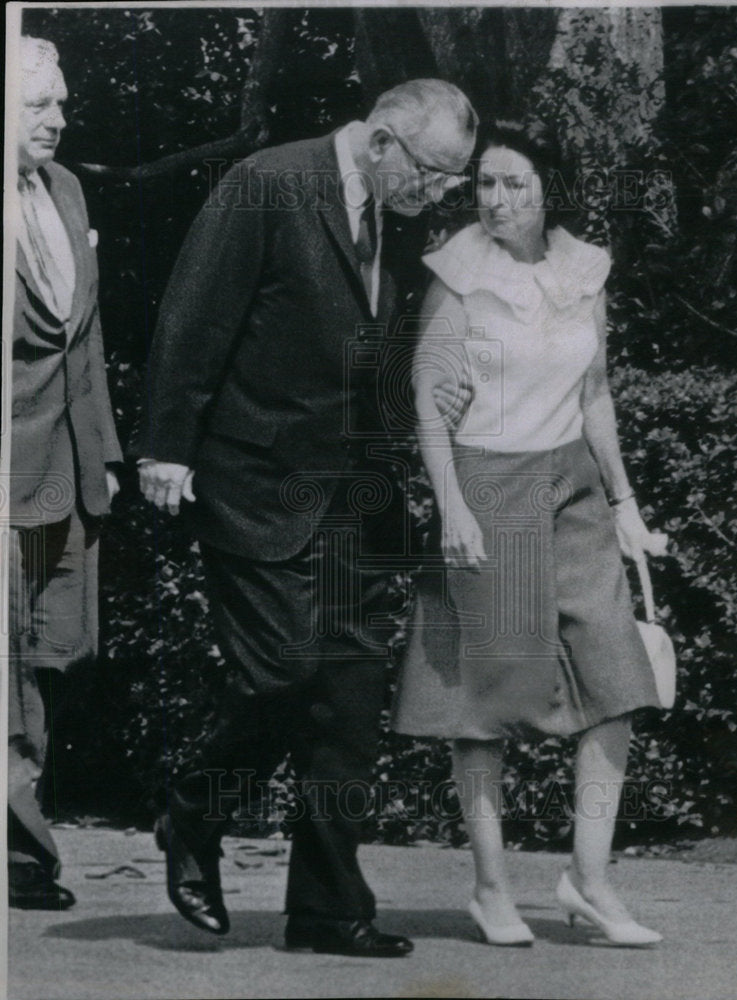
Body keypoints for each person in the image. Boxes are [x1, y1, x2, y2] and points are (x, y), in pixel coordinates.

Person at [138, 80, 477, 957]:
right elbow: (192, 314)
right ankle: (192, 813)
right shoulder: (268, 183)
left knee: (350, 705)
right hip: (255, 478)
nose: (439, 194)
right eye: (434, 173)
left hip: (356, 497)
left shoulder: (400, 218)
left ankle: (329, 909)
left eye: (452, 181)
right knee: (281, 674)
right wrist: (165, 444)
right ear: (382, 142)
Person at [392, 121, 668, 947]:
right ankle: (489, 889)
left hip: (575, 492)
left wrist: (627, 506)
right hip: (488, 487)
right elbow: (430, 402)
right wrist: (453, 507)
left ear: (551, 191)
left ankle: (589, 881)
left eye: (515, 184)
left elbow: (596, 394)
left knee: (618, 684)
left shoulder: (583, 272)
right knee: (483, 706)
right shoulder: (456, 278)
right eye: (485, 184)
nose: (498, 200)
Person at [7, 36, 122, 910]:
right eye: (38, 104)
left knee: (47, 656)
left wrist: (105, 455)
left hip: (65, 468)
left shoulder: (68, 188)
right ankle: (23, 854)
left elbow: (85, 338)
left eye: (60, 102)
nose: (59, 117)